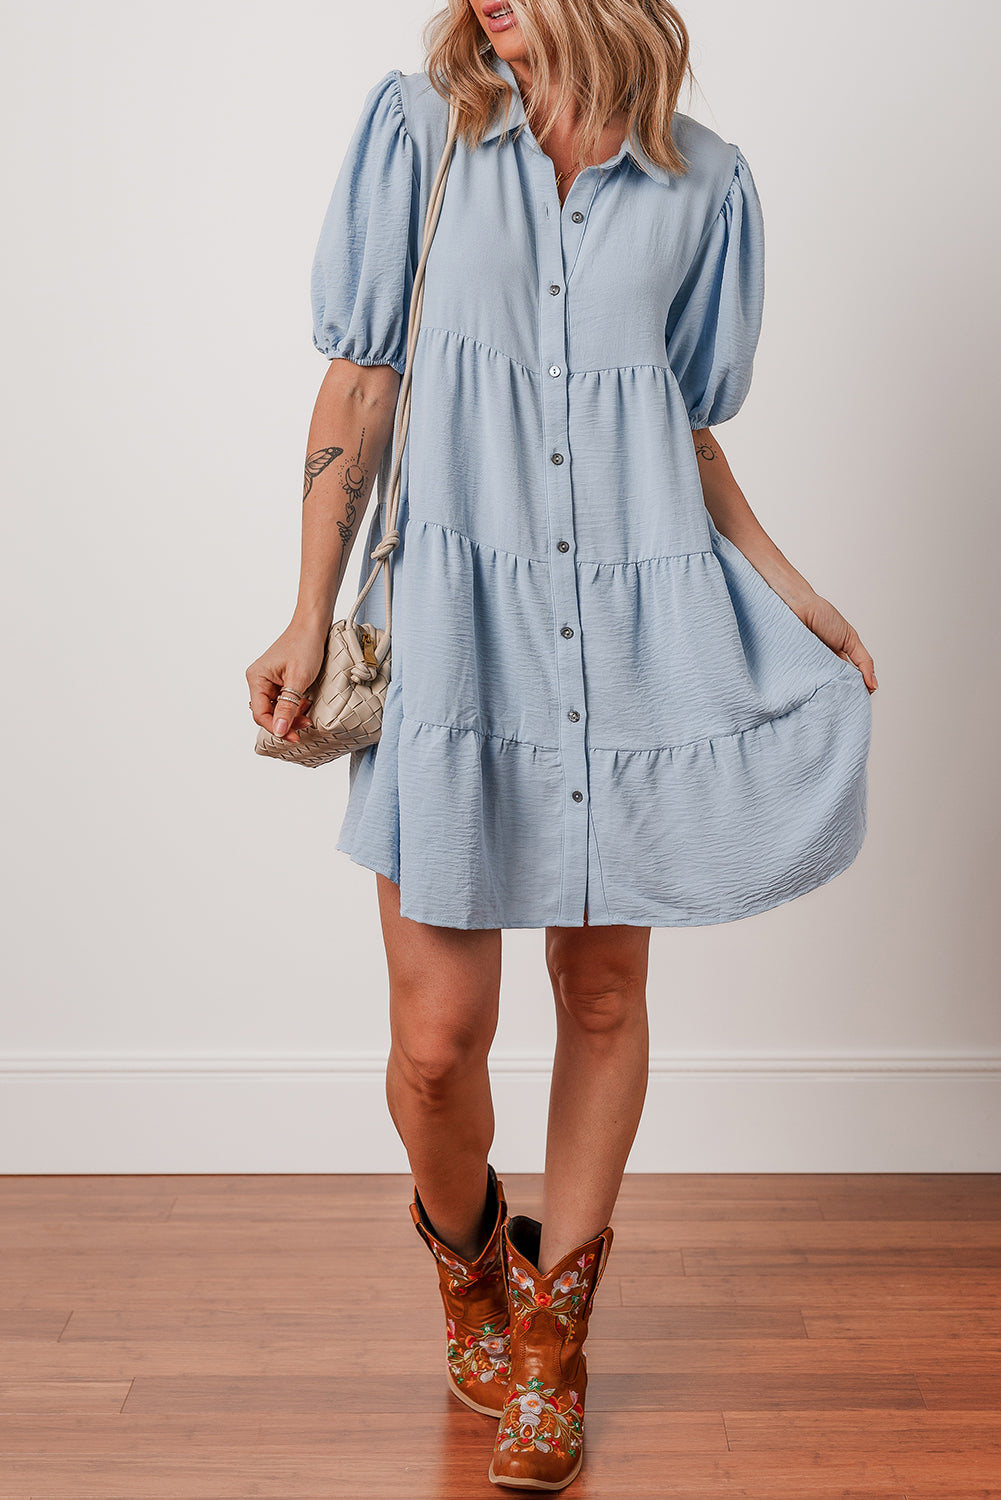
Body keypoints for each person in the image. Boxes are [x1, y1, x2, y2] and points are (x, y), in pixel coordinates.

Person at [246, 0, 878, 1489]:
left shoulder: (704, 184)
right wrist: (301, 609)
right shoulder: (419, 136)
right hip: (457, 630)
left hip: (625, 643)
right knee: (433, 1038)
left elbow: (682, 425)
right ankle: (470, 1261)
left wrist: (796, 595)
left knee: (599, 993)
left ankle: (549, 1344)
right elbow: (360, 383)